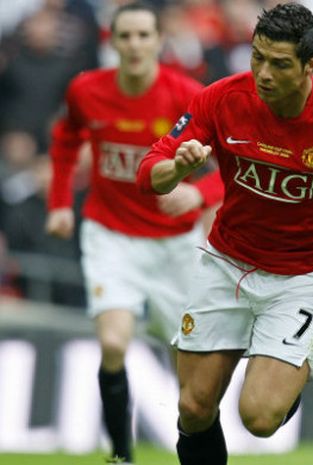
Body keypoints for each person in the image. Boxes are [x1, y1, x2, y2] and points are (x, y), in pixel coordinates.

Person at [135, 3, 313, 464]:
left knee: (259, 417)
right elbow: (149, 173)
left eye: (279, 63)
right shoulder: (221, 98)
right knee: (193, 407)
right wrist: (177, 168)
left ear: (311, 65)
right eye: (257, 57)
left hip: (301, 279)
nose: (263, 74)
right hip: (226, 264)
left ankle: (292, 367)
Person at [45, 2, 223, 463]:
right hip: (111, 235)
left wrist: (200, 195)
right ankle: (121, 456)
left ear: (159, 41)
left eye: (144, 36)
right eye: (125, 36)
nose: (135, 45)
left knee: (189, 374)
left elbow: (236, 165)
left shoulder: (187, 94)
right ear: (112, 41)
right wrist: (61, 203)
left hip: (175, 243)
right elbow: (66, 142)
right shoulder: (87, 91)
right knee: (112, 342)